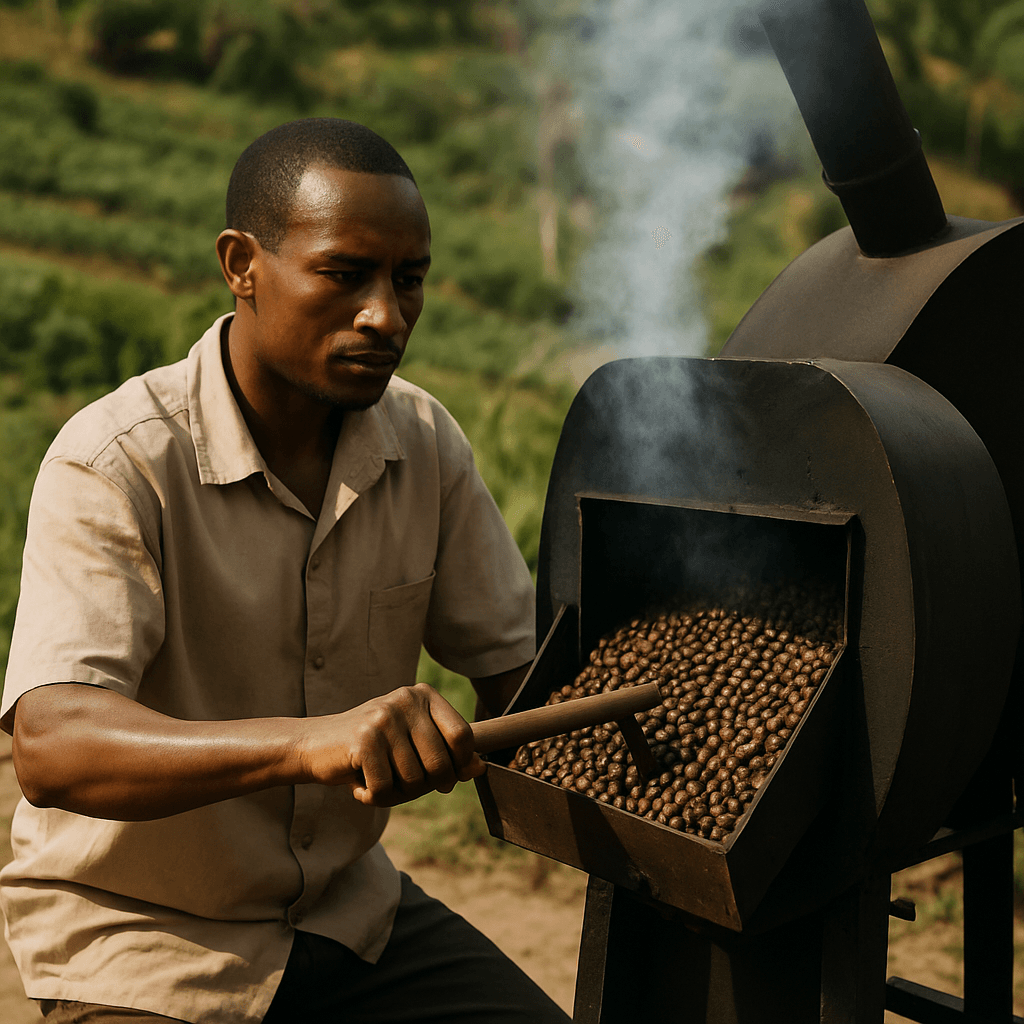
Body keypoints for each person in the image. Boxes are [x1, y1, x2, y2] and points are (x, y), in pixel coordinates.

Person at [0, 118, 571, 1024]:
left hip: (350, 919)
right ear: (242, 264)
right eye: (345, 275)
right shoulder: (115, 462)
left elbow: (519, 678)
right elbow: (53, 745)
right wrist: (314, 742)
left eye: (408, 280)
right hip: (144, 942)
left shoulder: (423, 444)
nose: (386, 315)